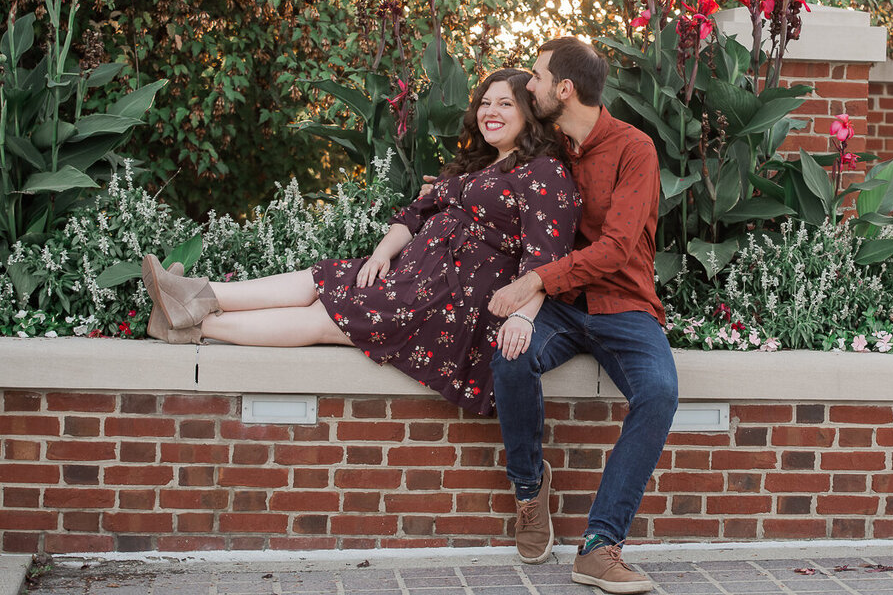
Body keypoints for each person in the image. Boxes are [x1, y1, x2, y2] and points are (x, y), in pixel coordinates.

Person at [141, 69, 582, 417]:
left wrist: (522, 319)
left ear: (529, 112)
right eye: (485, 102)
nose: (491, 111)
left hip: (454, 301)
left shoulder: (544, 172)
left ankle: (191, 324)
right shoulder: (478, 166)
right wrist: (380, 254)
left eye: (505, 103)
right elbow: (413, 215)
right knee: (320, 278)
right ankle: (196, 297)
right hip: (416, 275)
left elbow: (545, 258)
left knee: (325, 319)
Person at [487, 37, 677, 594]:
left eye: (539, 78)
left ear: (565, 89)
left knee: (659, 391)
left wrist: (534, 280)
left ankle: (600, 546)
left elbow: (617, 248)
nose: (529, 87)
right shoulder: (549, 148)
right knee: (510, 356)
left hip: (624, 305)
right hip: (565, 310)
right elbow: (498, 185)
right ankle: (529, 491)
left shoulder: (634, 149)